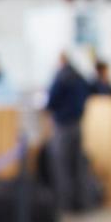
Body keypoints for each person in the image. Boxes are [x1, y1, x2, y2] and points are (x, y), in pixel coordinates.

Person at [46, 52, 92, 211]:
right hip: (78, 125)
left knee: (61, 166)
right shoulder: (80, 77)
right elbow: (89, 92)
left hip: (63, 126)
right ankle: (83, 202)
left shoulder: (61, 78)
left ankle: (64, 204)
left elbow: (51, 101)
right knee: (78, 166)